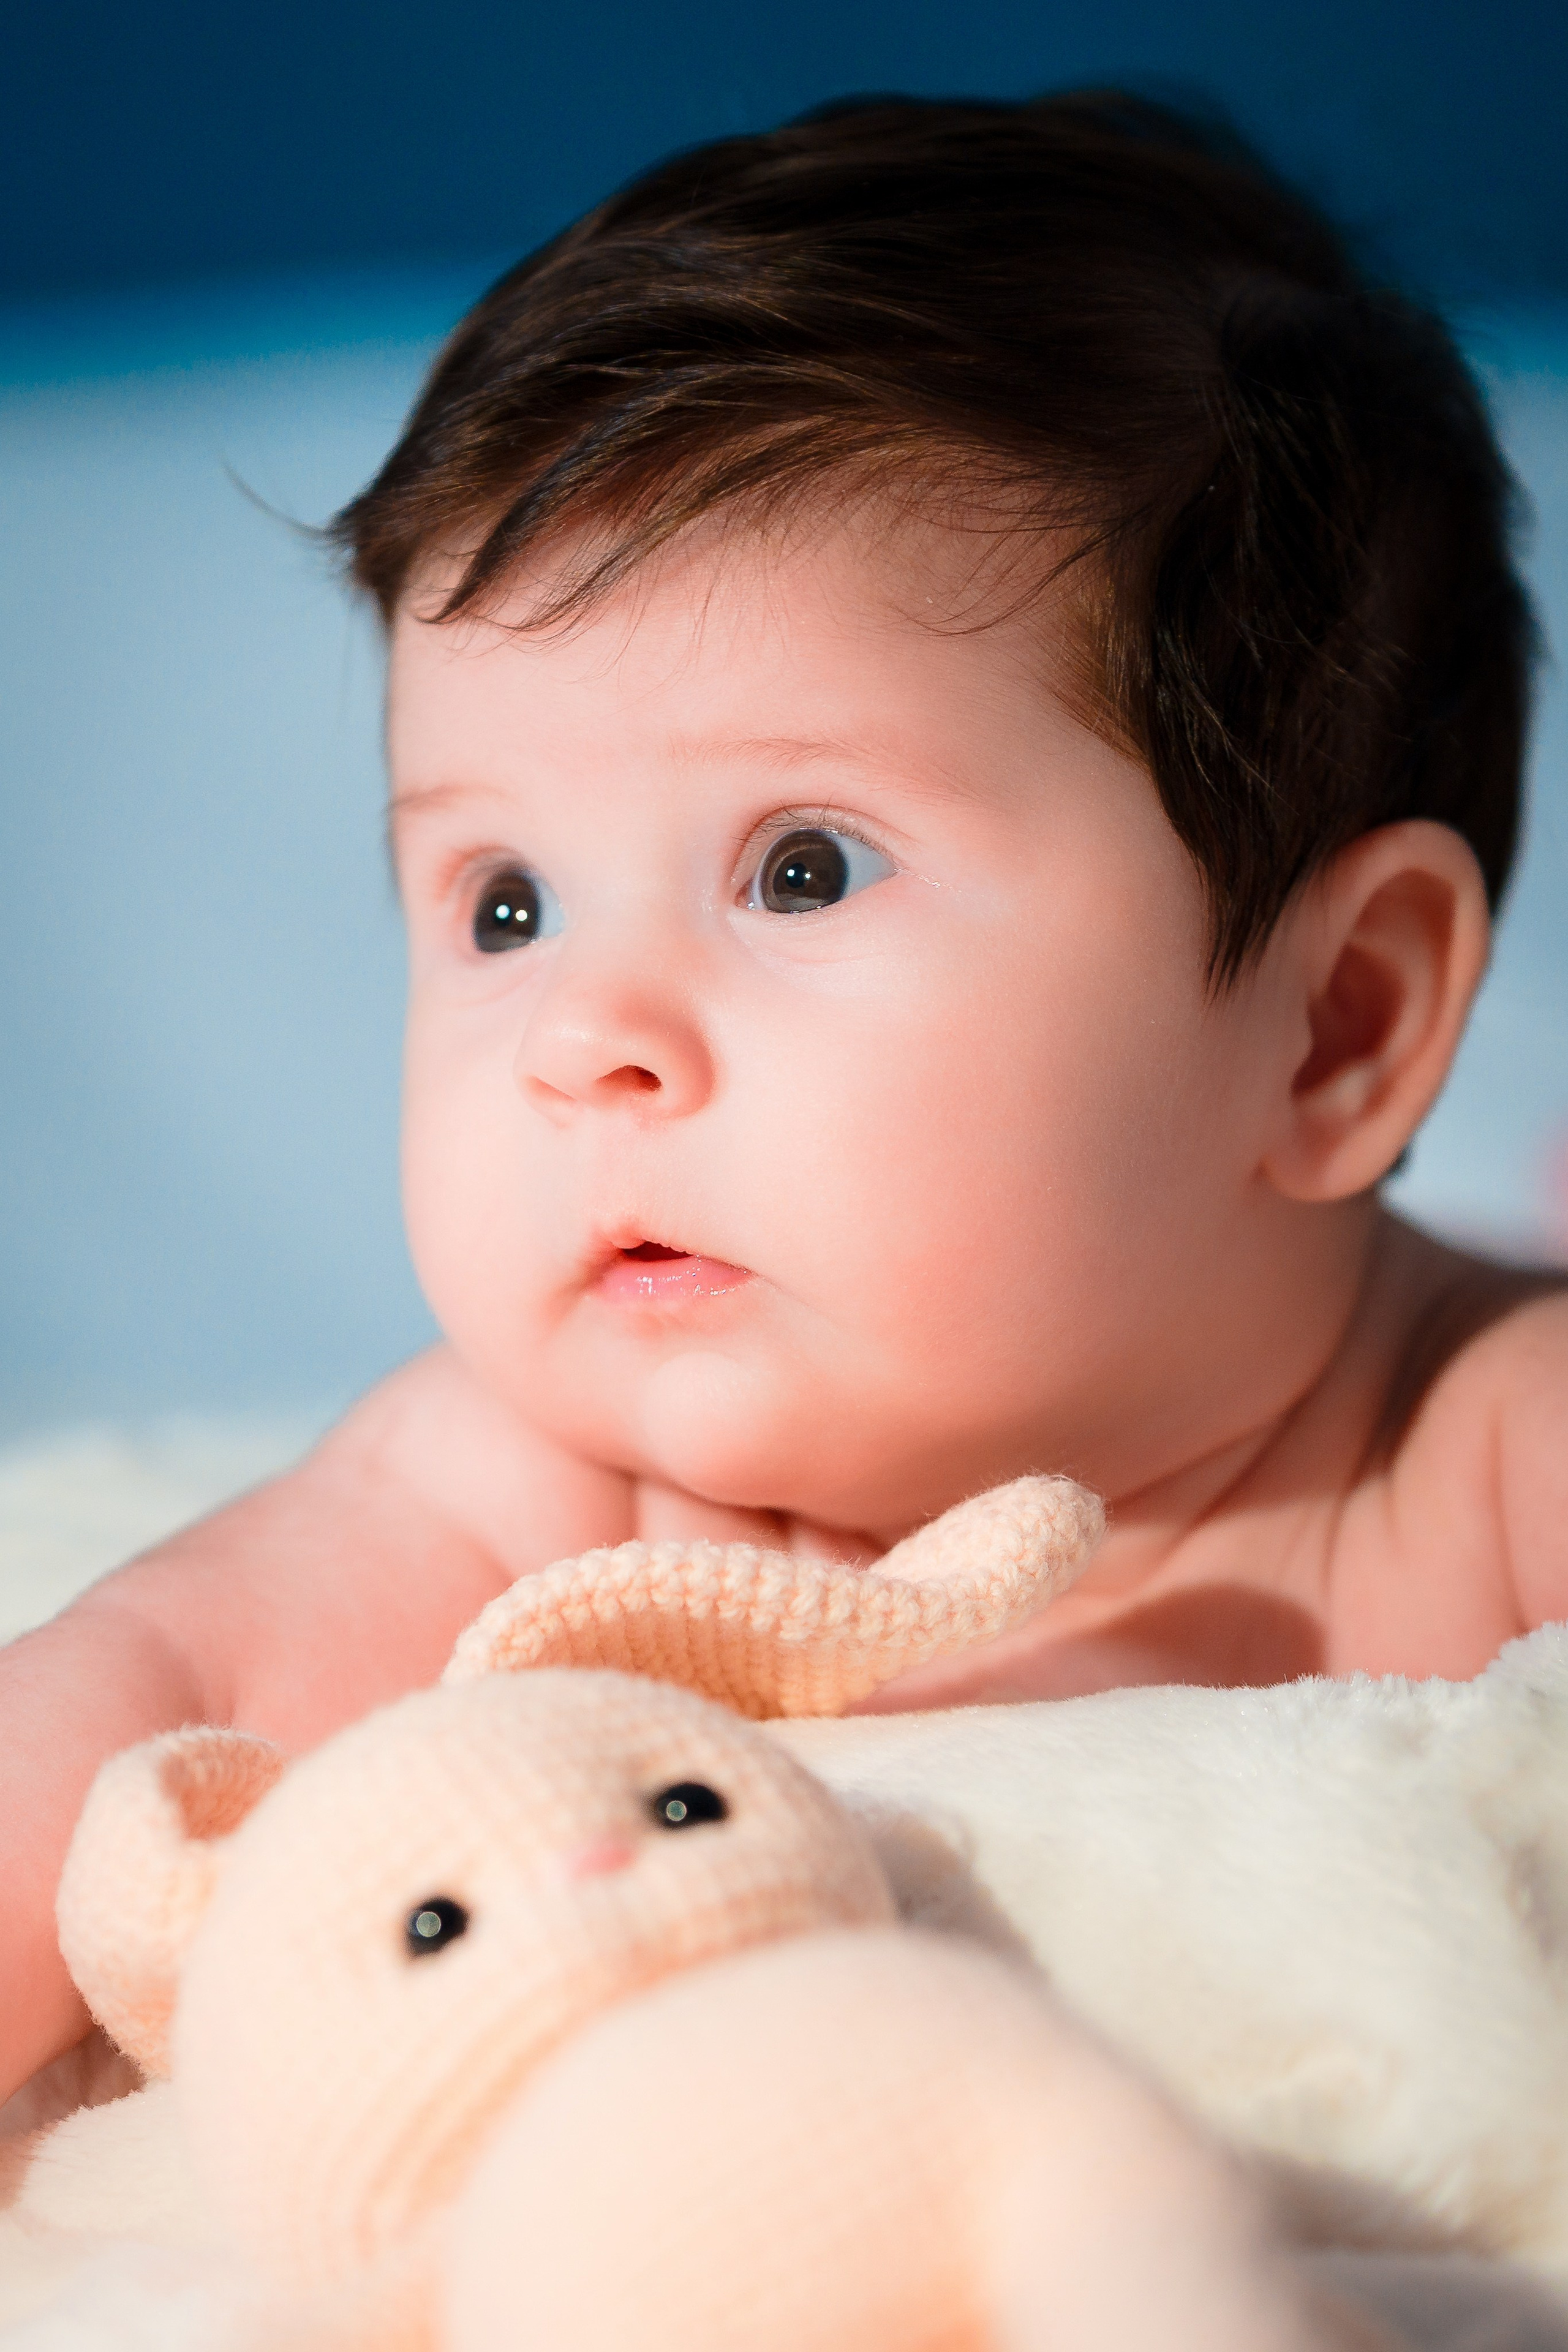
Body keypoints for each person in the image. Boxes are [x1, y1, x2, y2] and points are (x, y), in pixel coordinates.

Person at [2, 92, 1563, 2111]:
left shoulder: (1480, 1448)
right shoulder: (540, 1494)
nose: (586, 1037)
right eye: (503, 902)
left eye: (801, 867)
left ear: (1334, 1025)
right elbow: (140, 1707)